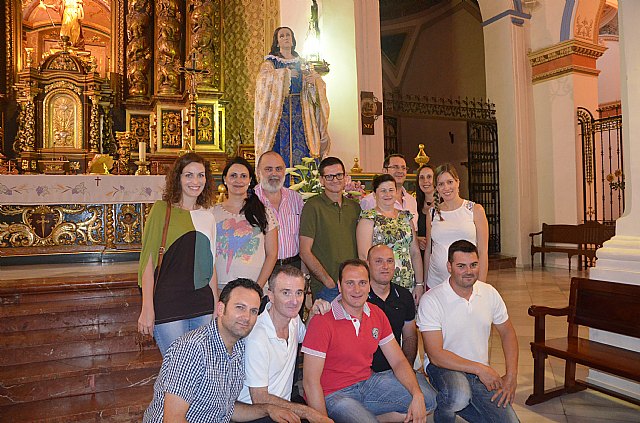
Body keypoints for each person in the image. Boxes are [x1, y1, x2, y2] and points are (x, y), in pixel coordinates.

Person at [302, 259, 437, 423]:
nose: (357, 289)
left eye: (362, 283)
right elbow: (310, 382)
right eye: (350, 283)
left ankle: (373, 417)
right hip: (334, 394)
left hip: (367, 384)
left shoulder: (376, 313)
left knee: (428, 400)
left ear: (369, 285)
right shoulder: (322, 320)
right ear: (339, 286)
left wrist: (416, 394)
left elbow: (398, 361)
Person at [143, 278, 297, 422]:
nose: (247, 317)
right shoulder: (192, 348)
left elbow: (226, 410)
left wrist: (269, 409)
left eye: (253, 311)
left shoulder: (239, 348)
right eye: (240, 307)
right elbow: (173, 419)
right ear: (221, 309)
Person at [417, 240, 519, 423]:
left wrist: (511, 376)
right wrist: (480, 369)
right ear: (449, 267)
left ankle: (460, 400)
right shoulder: (432, 300)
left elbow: (507, 333)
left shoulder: (489, 293)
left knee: (509, 421)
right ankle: (445, 410)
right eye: (461, 266)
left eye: (473, 265)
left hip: (478, 372)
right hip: (443, 368)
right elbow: (435, 355)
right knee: (458, 395)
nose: (469, 271)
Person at [137, 152, 218, 357]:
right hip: (169, 302)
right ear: (178, 178)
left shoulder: (208, 216)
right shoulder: (161, 210)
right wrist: (147, 307)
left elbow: (210, 265)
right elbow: (147, 263)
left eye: (200, 175)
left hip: (202, 303)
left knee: (200, 366)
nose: (195, 181)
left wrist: (216, 304)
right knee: (177, 367)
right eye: (188, 175)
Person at [238, 266, 333, 423]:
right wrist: (309, 413)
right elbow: (259, 398)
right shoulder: (257, 336)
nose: (294, 301)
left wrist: (313, 314)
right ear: (271, 296)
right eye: (286, 293)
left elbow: (305, 337)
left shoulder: (293, 319)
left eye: (299, 293)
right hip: (257, 414)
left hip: (283, 407)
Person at [254, 26, 330, 169]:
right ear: (277, 42)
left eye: (288, 35)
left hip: (302, 114)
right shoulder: (270, 63)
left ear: (293, 40)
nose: (285, 38)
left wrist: (313, 83)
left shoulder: (303, 63)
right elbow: (262, 82)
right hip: (279, 115)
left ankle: (306, 181)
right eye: (282, 36)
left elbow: (317, 85)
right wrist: (285, 74)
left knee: (304, 149)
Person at [299, 157, 360, 302]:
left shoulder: (354, 207)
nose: (335, 180)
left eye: (339, 175)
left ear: (345, 177)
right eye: (329, 176)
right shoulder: (313, 207)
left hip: (353, 285)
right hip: (326, 286)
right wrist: (328, 281)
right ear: (321, 180)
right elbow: (305, 251)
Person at [213, 157, 278, 290]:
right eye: (233, 176)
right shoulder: (212, 212)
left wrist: (258, 288)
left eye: (243, 176)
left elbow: (272, 254)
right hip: (220, 286)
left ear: (250, 180)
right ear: (225, 179)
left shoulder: (264, 212)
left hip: (254, 286)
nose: (238, 180)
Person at [357, 174, 423, 301]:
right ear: (375, 195)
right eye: (383, 191)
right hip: (380, 285)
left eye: (391, 190)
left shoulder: (406, 217)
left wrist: (419, 284)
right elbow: (364, 257)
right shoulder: (368, 218)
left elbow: (415, 252)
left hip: (406, 282)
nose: (388, 194)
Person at [424, 163, 489, 289]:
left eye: (450, 182)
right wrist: (423, 283)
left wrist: (481, 285)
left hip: (467, 282)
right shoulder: (432, 213)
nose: (446, 188)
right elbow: (428, 250)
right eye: (441, 184)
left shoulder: (474, 210)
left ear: (457, 182)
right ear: (436, 188)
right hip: (435, 282)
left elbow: (483, 251)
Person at [255, 151, 305, 268]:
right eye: (268, 169)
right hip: (262, 268)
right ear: (258, 172)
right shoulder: (251, 200)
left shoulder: (295, 199)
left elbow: (303, 238)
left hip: (294, 266)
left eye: (278, 169)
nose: (274, 173)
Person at [360, 154, 418, 228]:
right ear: (384, 171)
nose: (400, 171)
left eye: (403, 168)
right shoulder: (369, 201)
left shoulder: (412, 200)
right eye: (395, 167)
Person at [415, 164, 436, 253]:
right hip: (420, 255)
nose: (425, 181)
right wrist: (416, 240)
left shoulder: (445, 204)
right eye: (422, 177)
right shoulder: (414, 205)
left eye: (429, 177)